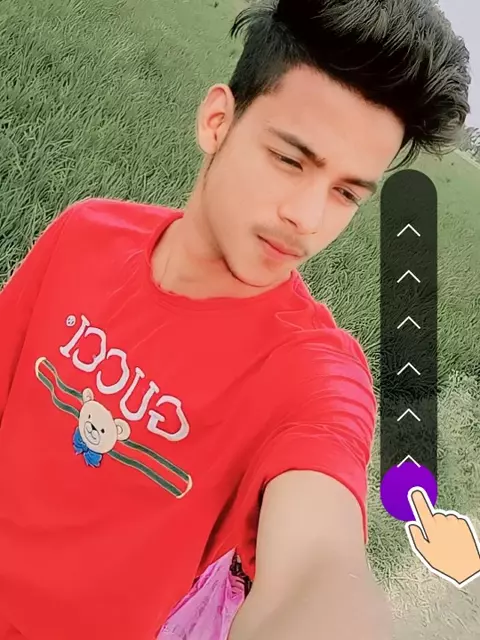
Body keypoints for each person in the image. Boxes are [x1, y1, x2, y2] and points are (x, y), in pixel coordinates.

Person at [0, 0, 470, 638]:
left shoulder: (311, 374)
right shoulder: (85, 235)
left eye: (345, 193)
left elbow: (316, 570)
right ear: (217, 121)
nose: (308, 218)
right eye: (290, 160)